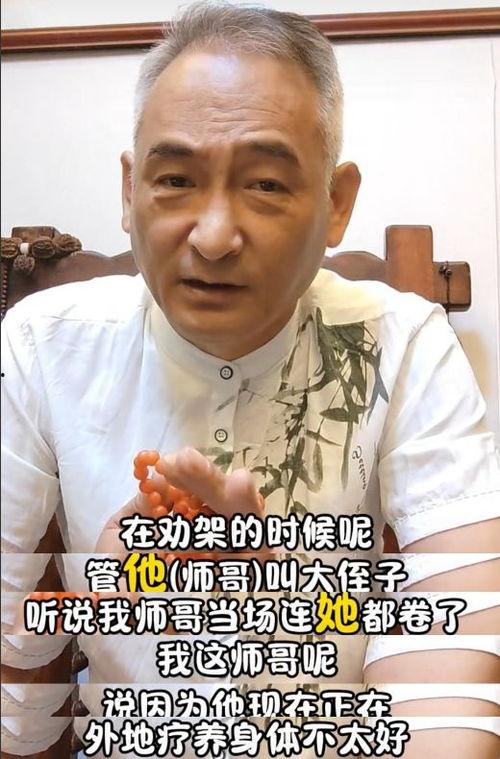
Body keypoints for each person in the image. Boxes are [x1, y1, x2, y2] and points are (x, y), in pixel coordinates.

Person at [1, 3, 499, 757]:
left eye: (265, 184)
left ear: (335, 201)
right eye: (175, 179)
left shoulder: (405, 345)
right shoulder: (42, 345)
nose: (213, 237)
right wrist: (87, 596)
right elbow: (15, 674)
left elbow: (446, 673)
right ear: (130, 190)